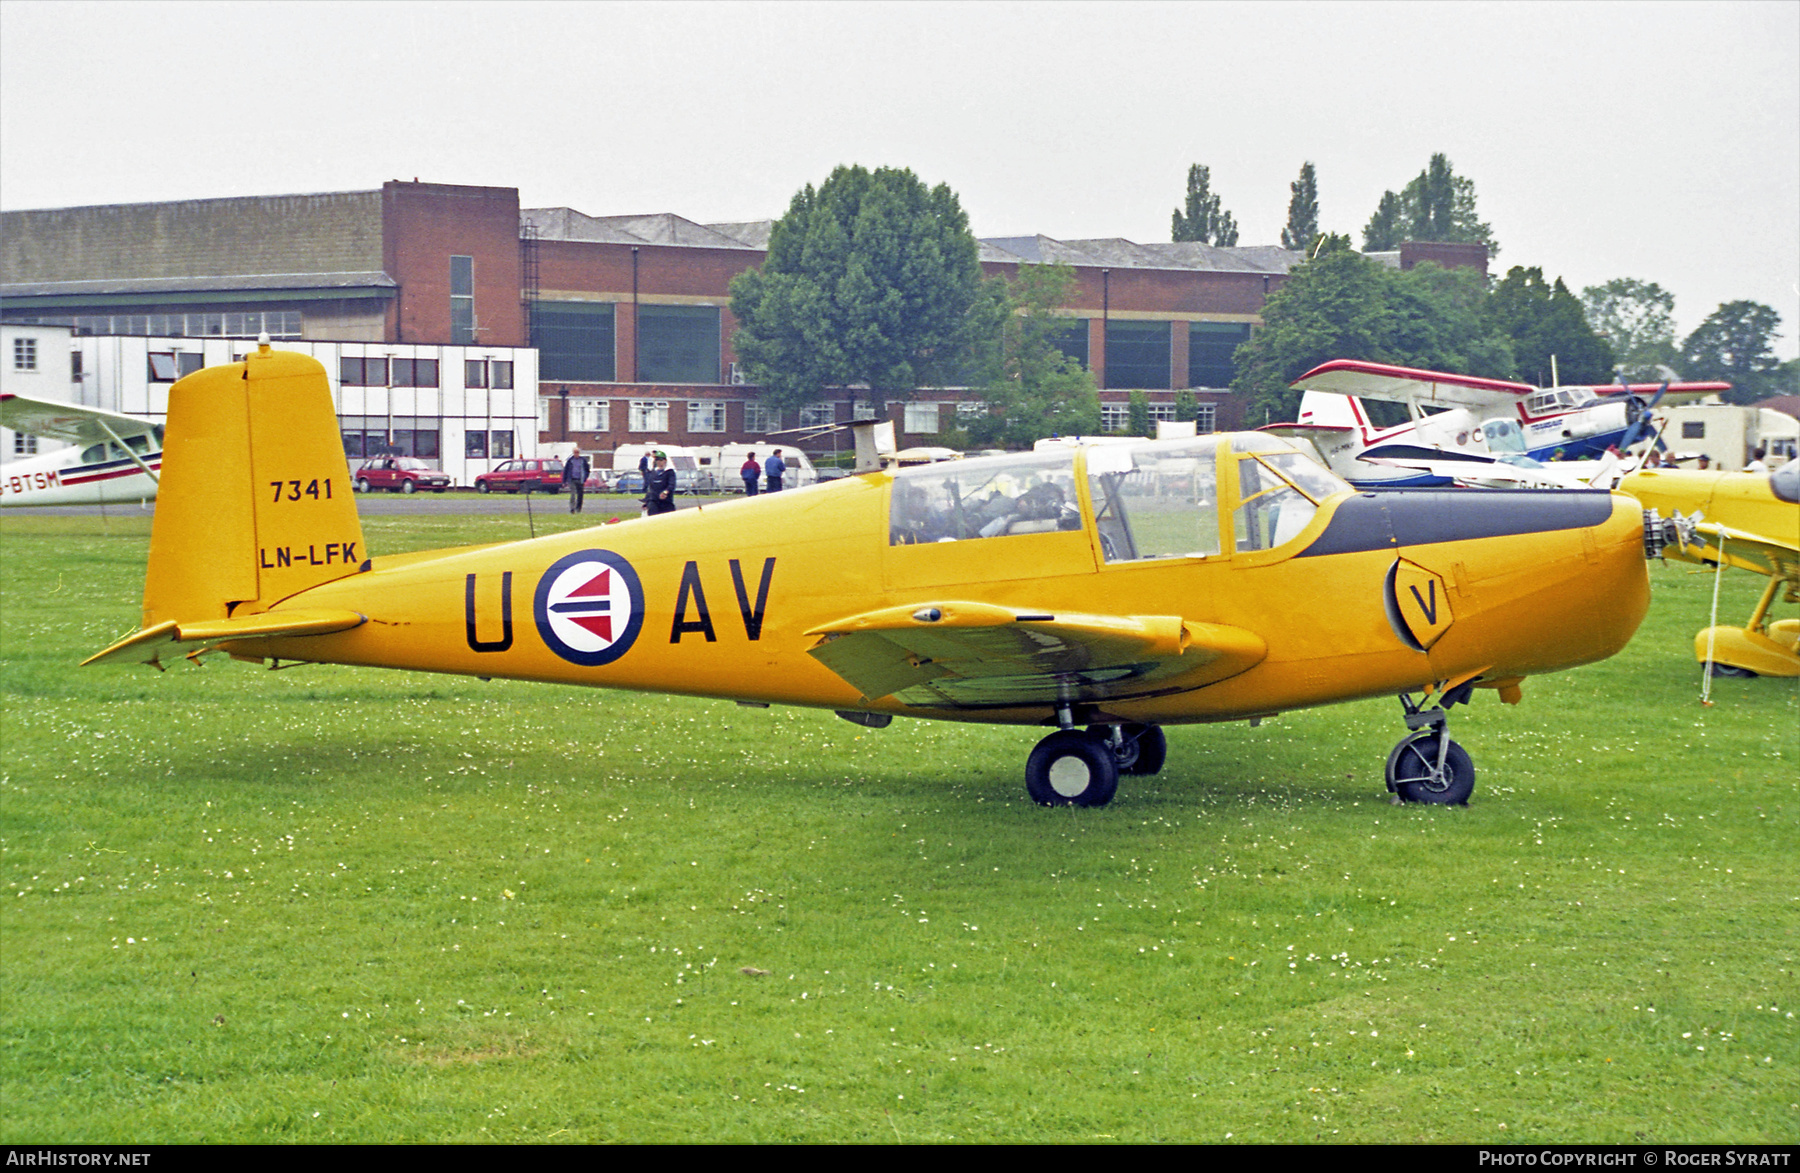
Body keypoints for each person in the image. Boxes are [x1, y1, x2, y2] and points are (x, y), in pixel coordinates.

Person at [643, 450, 677, 516]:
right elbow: (651, 487)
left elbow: (671, 485)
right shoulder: (653, 472)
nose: (658, 461)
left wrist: (665, 492)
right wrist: (647, 502)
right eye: (657, 459)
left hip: (666, 502)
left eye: (660, 460)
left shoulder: (669, 472)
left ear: (665, 460)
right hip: (654, 501)